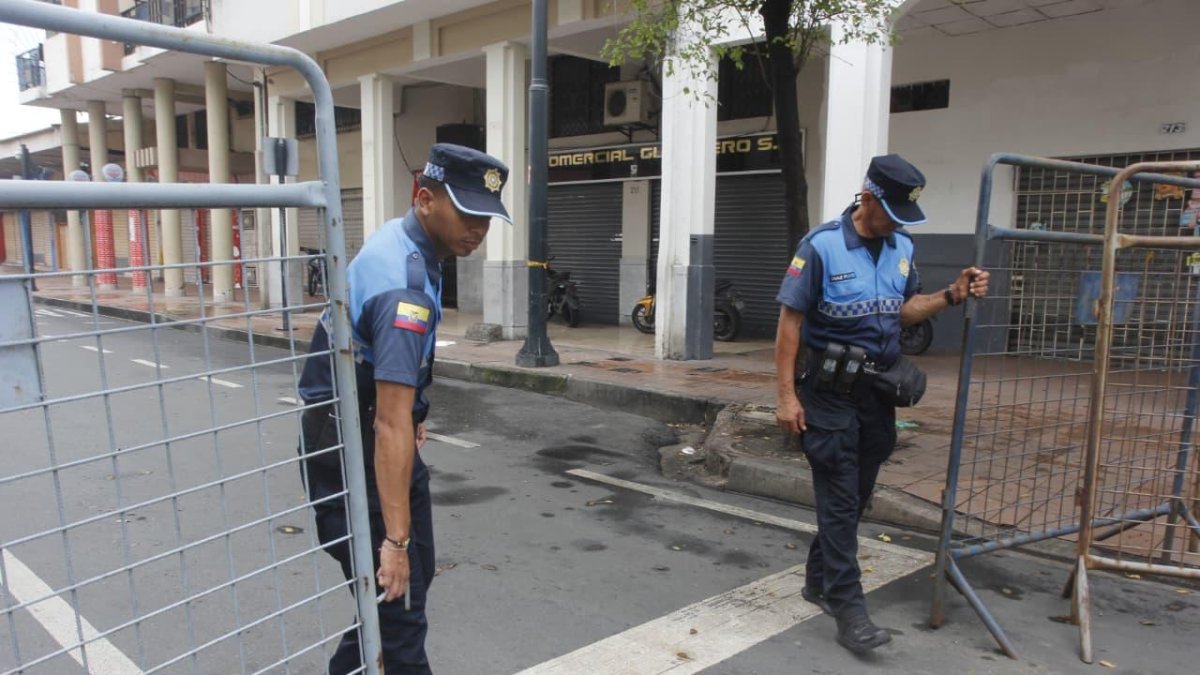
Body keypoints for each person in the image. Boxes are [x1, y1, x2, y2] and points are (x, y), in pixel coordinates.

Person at [297, 143, 509, 673]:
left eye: (487, 217)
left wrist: (414, 416)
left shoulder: (412, 245)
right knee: (400, 611)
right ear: (424, 200)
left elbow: (393, 397)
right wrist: (393, 542)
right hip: (353, 449)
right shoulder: (403, 291)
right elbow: (388, 423)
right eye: (467, 212)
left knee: (401, 594)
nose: (478, 229)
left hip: (365, 434)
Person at [774, 154, 989, 654]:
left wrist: (952, 295)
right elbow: (790, 324)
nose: (897, 222)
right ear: (868, 198)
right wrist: (785, 396)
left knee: (855, 496)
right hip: (827, 394)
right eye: (891, 212)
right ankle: (849, 609)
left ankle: (817, 580)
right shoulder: (821, 246)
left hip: (877, 394)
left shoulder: (902, 246)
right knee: (840, 496)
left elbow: (905, 310)